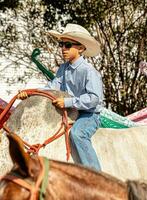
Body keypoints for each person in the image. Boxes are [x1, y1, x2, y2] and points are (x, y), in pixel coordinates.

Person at [18, 23, 104, 171]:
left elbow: (94, 98)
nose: (63, 48)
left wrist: (68, 102)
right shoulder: (63, 69)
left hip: (88, 114)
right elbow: (52, 88)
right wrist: (30, 93)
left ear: (81, 48)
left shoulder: (89, 71)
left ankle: (96, 175)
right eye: (61, 44)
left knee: (77, 134)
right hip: (71, 111)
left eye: (67, 45)